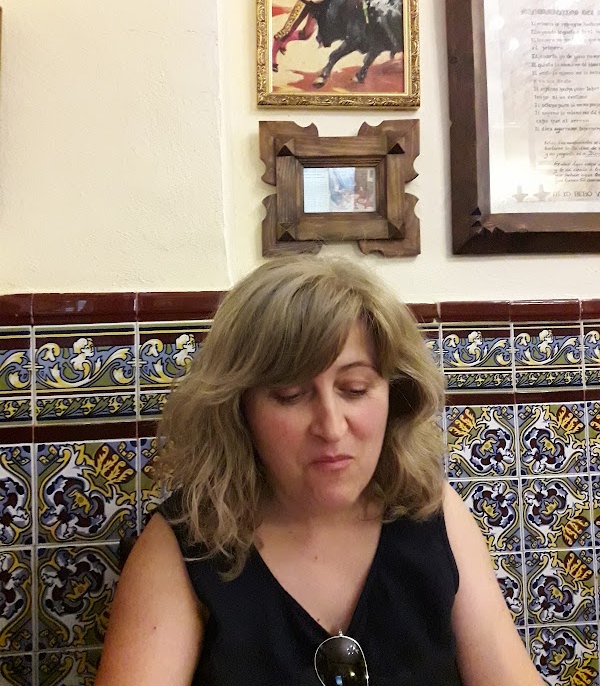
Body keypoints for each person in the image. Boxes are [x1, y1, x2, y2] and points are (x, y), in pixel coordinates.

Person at [95, 257, 543, 686]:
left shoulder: (433, 511)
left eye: (355, 389)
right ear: (239, 410)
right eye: (290, 395)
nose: (331, 427)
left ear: (394, 395)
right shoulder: (182, 546)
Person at [272, 0, 363, 72]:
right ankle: (272, 58)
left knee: (306, 35)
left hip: (320, 5)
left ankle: (286, 40)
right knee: (288, 28)